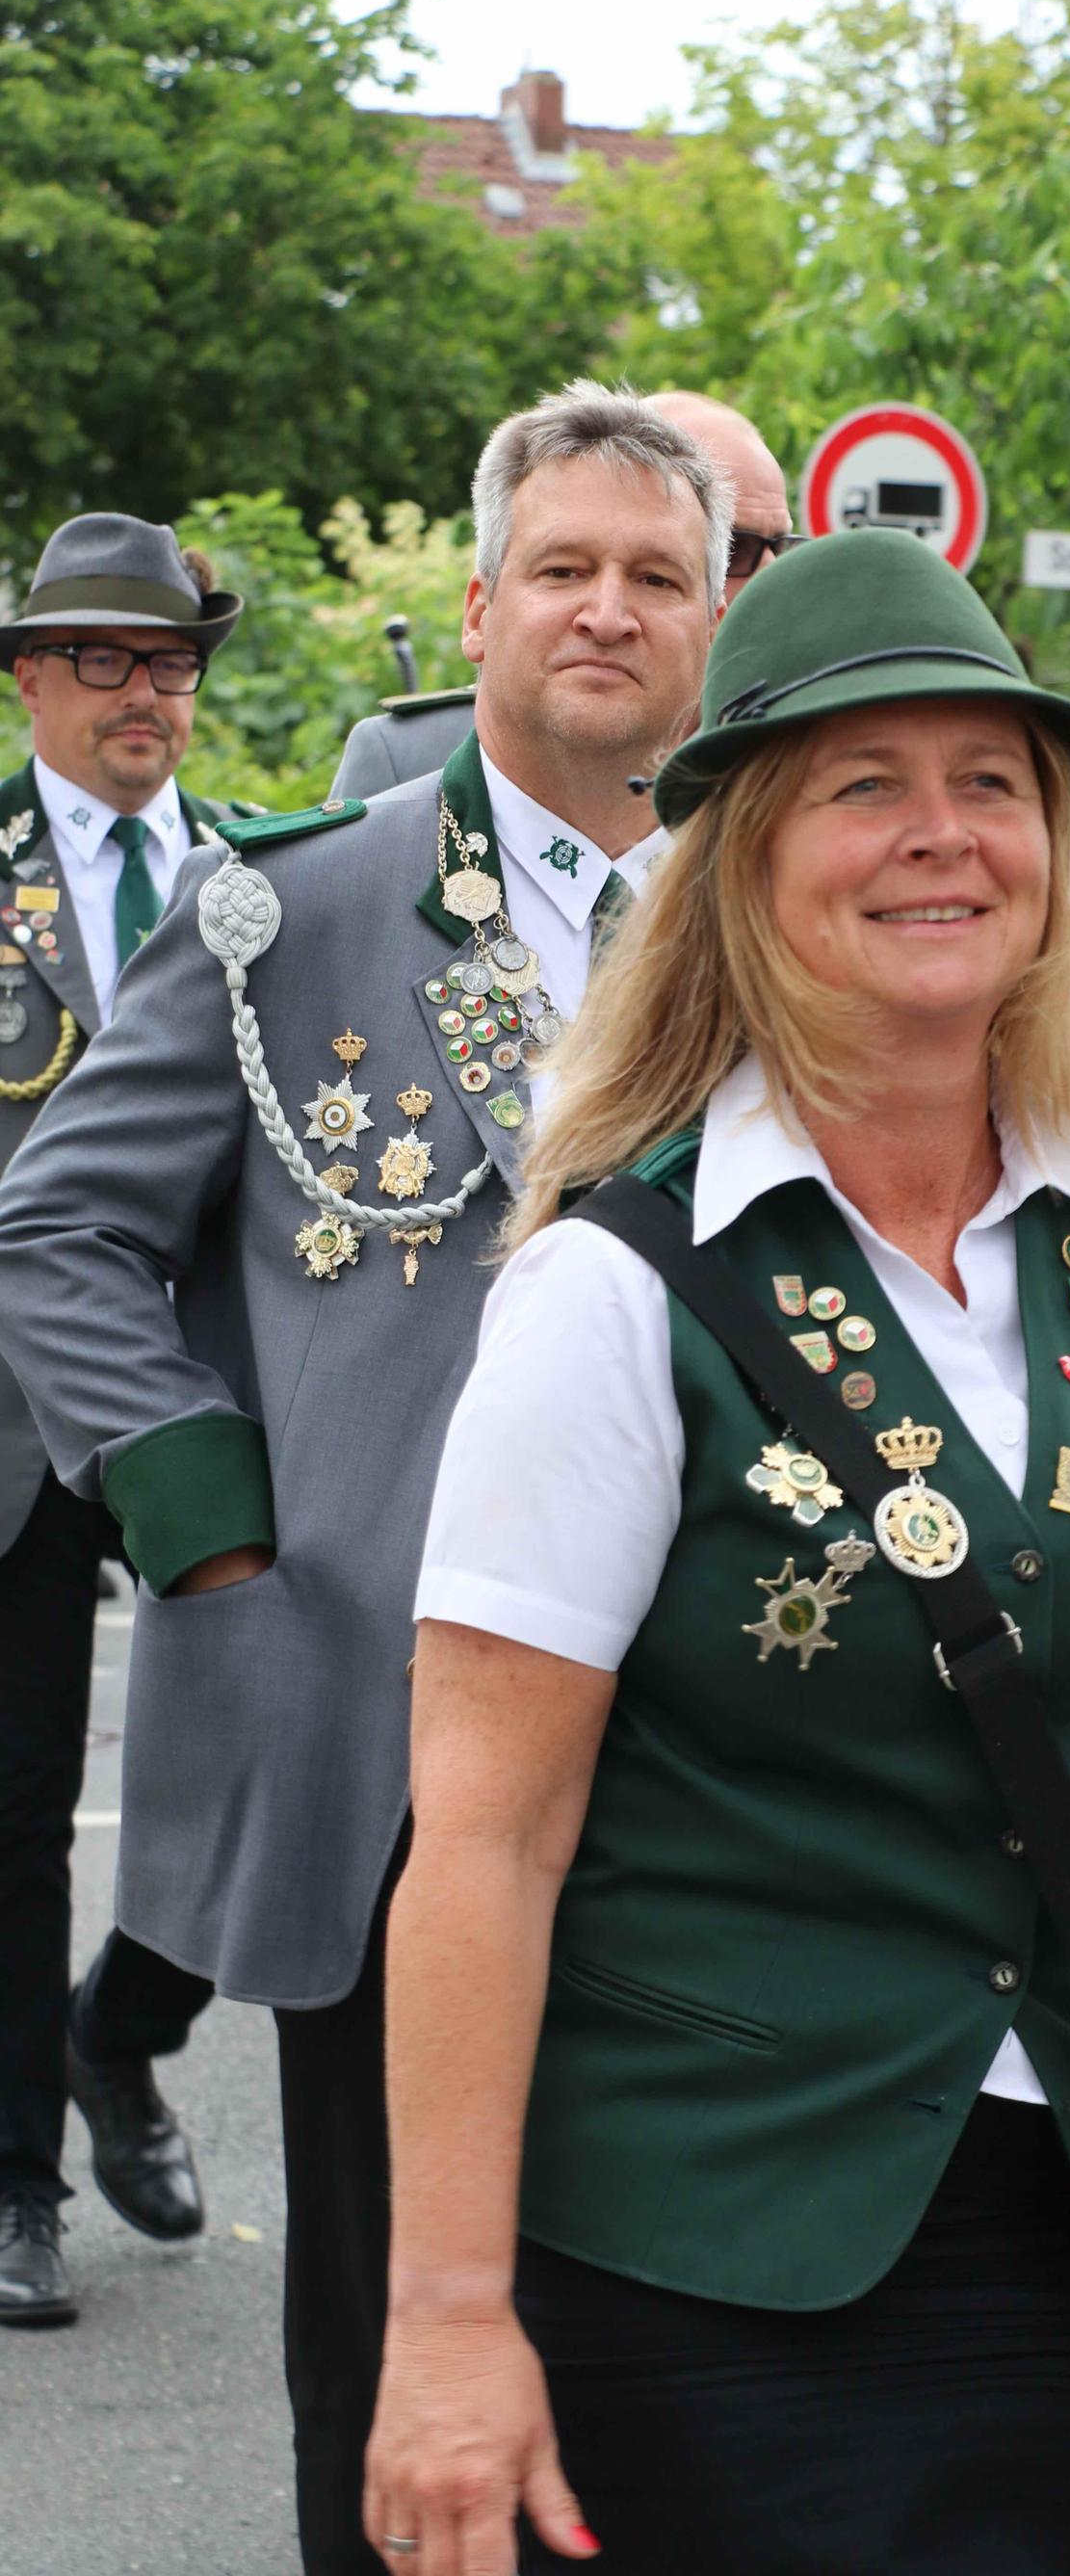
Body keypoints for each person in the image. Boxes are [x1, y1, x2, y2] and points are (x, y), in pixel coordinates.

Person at [363, 531, 1070, 2576]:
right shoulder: (614, 1288)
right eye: (866, 786)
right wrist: (447, 2317)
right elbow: (484, 1840)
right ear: (747, 858)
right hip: (726, 2258)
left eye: (990, 785)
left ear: (1054, 845)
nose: (941, 839)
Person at [0, 387, 729, 2572]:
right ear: (484, 603)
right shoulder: (290, 913)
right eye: (567, 567)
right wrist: (217, 1527)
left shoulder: (770, 921)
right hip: (397, 1728)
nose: (607, 607)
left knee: (688, 2338)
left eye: (657, 573)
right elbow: (59, 1230)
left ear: (712, 622)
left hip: (730, 1719)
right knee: (396, 2365)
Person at [0, 513, 249, 2328]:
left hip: (199, 1400)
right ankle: (15, 2190)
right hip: (12, 1407)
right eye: (100, 658)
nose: (141, 692)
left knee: (255, 1751)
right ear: (27, 682)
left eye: (165, 661)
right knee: (13, 1808)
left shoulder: (257, 879)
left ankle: (121, 2033)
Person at [328, 388, 794, 802]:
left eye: (655, 577)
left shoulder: (801, 758)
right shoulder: (407, 757)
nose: (608, 617)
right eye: (738, 550)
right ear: (479, 614)